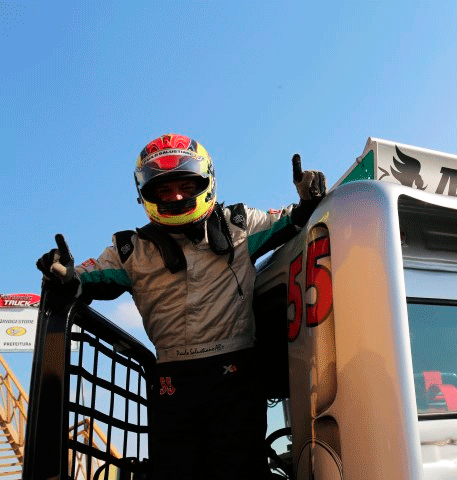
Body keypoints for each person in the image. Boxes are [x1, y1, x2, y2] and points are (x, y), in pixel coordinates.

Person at [36, 133, 326, 479]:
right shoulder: (131, 249)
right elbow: (83, 279)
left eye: (186, 187)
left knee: (240, 472)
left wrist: (310, 197)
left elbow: (292, 220)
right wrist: (65, 276)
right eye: (164, 189)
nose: (175, 196)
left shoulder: (239, 224)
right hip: (172, 384)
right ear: (146, 194)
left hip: (235, 376)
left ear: (206, 182)